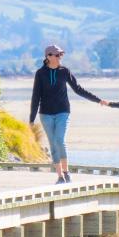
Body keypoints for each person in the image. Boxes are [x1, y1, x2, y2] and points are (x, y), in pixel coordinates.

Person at [29, 44, 103, 184]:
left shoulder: (64, 71)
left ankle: (66, 171)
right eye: (57, 55)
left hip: (63, 112)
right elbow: (35, 97)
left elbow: (78, 89)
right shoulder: (40, 73)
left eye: (61, 55)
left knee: (59, 140)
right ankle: (60, 176)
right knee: (52, 143)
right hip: (45, 114)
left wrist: (97, 100)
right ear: (48, 57)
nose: (59, 57)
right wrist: (31, 120)